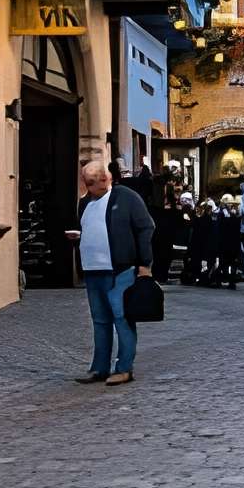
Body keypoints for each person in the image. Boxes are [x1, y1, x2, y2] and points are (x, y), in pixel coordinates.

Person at [69, 159, 155, 386]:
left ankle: (124, 368)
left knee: (122, 318)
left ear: (105, 179)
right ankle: (99, 368)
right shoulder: (85, 202)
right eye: (86, 182)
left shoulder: (126, 197)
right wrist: (80, 238)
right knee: (100, 321)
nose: (88, 187)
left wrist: (145, 263)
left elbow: (146, 227)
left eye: (91, 183)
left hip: (119, 269)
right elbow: (91, 228)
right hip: (92, 270)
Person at [214, 193, 244, 288]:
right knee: (225, 262)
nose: (230, 205)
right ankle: (221, 280)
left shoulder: (234, 214)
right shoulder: (222, 214)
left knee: (232, 262)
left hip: (232, 241)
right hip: (226, 241)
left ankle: (231, 281)